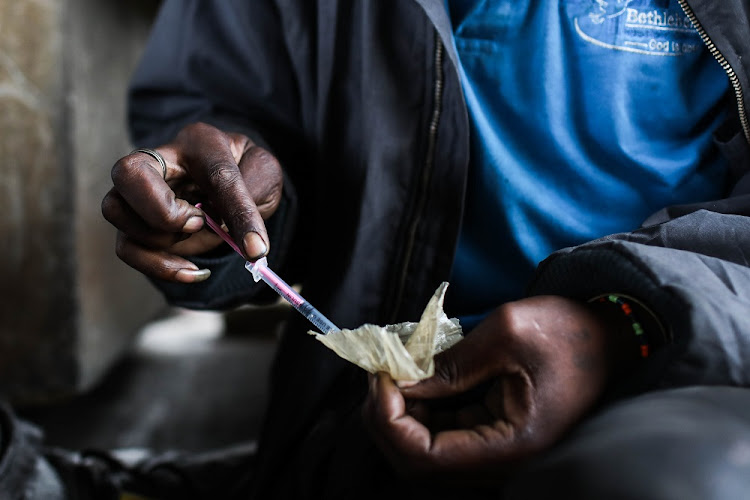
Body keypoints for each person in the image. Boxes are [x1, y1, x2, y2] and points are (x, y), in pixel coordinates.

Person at [3, 0, 750, 498]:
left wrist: (623, 327)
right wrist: (225, 206)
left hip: (679, 385)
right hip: (370, 422)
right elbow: (211, 118)